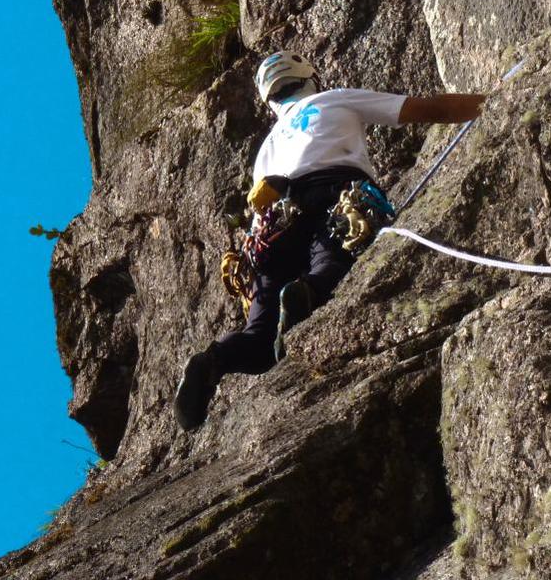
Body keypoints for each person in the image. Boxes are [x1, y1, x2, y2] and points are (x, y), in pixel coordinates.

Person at [173, 51, 486, 431]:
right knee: (332, 264)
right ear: (310, 78)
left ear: (269, 101)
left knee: (259, 341)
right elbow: (428, 109)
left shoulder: (266, 148)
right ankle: (308, 290)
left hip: (273, 226)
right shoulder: (332, 98)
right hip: (334, 193)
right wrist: (491, 100)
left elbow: (259, 209)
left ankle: (212, 361)